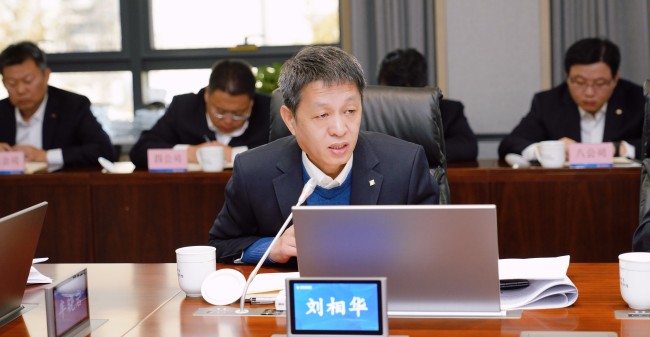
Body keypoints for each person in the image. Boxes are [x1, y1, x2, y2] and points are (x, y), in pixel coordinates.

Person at [208, 45, 439, 265]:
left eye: (350, 111)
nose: (339, 129)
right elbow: (221, 245)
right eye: (322, 115)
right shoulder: (254, 171)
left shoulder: (405, 165)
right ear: (290, 120)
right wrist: (272, 248)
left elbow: (435, 246)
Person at [498, 37, 644, 161]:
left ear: (615, 79)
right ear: (567, 77)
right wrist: (544, 150)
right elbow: (510, 144)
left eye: (600, 83)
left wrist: (621, 149)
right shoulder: (548, 103)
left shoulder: (639, 100)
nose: (589, 92)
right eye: (579, 82)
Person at [129, 59, 271, 167]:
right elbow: (140, 152)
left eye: (238, 113)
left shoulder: (269, 109)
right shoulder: (184, 107)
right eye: (220, 112)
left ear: (251, 102)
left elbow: (283, 153)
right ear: (207, 95)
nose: (228, 120)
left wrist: (235, 155)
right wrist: (191, 153)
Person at [0, 41, 115, 170]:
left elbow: (104, 150)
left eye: (28, 81)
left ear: (46, 75)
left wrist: (46, 156)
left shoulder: (72, 106)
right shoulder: (2, 111)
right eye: (12, 83)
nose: (21, 90)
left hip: (60, 182)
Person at [377, 48, 478, 162]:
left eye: (385, 92)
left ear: (407, 88)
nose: (382, 100)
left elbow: (467, 147)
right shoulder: (376, 114)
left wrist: (411, 152)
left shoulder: (448, 111)